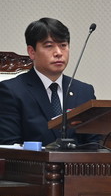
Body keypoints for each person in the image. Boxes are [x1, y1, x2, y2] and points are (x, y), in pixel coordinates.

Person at [0, 17, 98, 147]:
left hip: (78, 161)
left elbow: (96, 143)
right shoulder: (11, 91)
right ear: (32, 52)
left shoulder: (84, 91)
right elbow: (9, 146)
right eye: (49, 46)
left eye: (63, 45)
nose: (58, 53)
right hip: (31, 160)